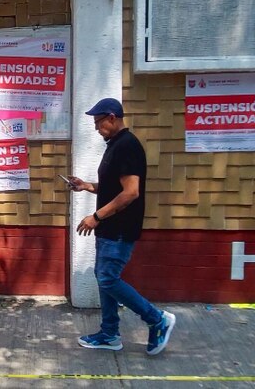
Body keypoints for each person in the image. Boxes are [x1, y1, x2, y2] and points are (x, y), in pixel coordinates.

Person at [67, 97, 175, 355]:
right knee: (104, 278)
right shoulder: (116, 144)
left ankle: (156, 319)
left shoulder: (126, 145)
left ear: (112, 117)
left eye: (98, 122)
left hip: (119, 228)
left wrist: (96, 217)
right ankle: (109, 334)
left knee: (107, 278)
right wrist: (86, 185)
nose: (96, 128)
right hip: (110, 228)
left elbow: (130, 193)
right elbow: (114, 188)